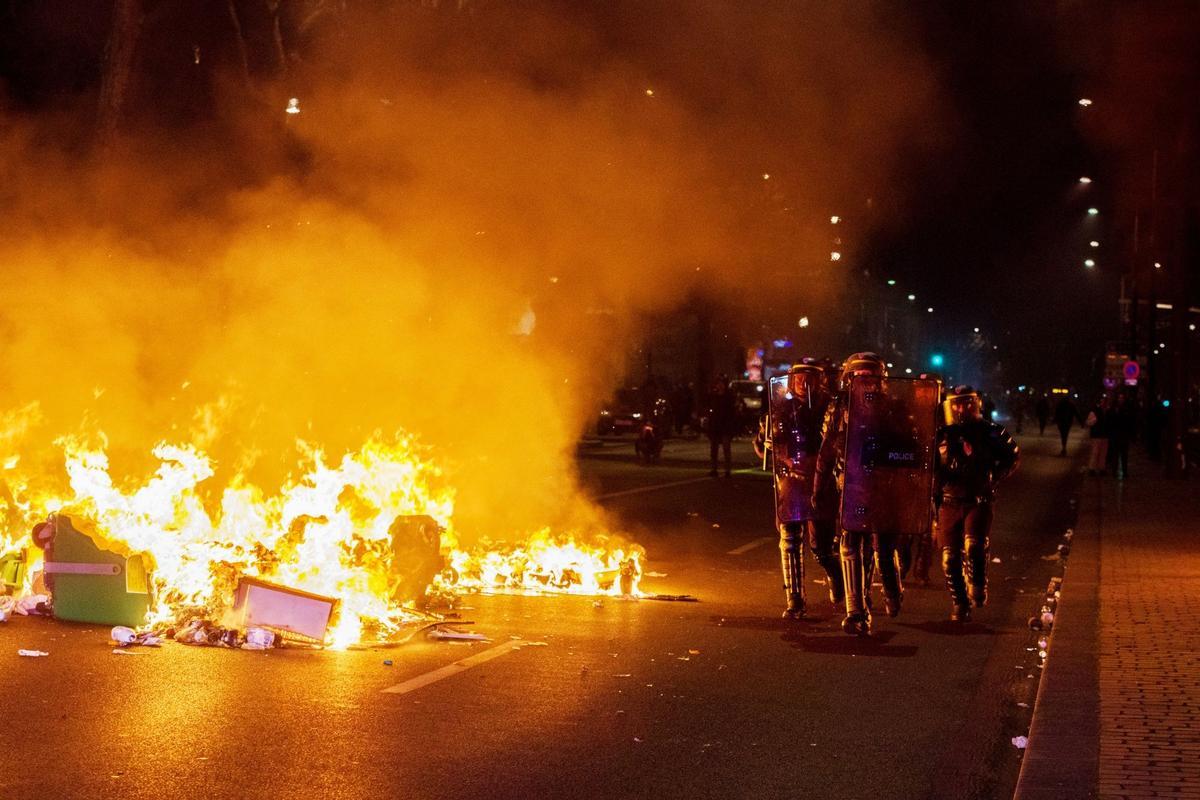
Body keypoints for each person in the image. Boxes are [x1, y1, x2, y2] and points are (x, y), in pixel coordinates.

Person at [813, 352, 897, 636]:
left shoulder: (892, 408)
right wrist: (818, 486)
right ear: (849, 379)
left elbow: (910, 449)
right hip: (850, 488)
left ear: (880, 381)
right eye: (858, 376)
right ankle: (855, 611)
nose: (864, 382)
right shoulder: (838, 409)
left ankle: (889, 588)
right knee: (849, 545)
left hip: (883, 489)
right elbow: (826, 450)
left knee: (882, 548)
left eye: (869, 377)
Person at [753, 361, 843, 618]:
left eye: (810, 378)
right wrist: (765, 439)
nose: (804, 383)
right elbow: (766, 444)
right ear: (792, 380)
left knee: (821, 548)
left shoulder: (832, 406)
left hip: (822, 482)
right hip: (792, 481)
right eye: (800, 377)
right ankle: (795, 598)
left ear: (819, 381)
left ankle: (835, 573)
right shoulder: (780, 406)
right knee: (790, 539)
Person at [934, 385, 1020, 622]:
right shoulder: (941, 435)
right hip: (949, 501)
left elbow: (1012, 456)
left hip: (978, 499)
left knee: (975, 546)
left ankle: (978, 584)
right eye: (957, 404)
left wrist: (993, 476)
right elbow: (929, 467)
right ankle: (960, 603)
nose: (962, 408)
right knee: (949, 559)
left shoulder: (990, 432)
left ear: (976, 404)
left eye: (967, 403)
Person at [705, 376, 736, 477]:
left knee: (726, 448)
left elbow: (731, 412)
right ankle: (714, 469)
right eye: (718, 383)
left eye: (721, 383)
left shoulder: (728, 397)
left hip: (725, 426)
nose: (719, 385)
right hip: (715, 426)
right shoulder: (714, 396)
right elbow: (710, 410)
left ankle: (727, 470)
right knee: (714, 449)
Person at [1109, 392, 1136, 479]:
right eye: (1119, 398)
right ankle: (1114, 472)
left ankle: (1124, 472)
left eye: (1122, 398)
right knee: (1115, 455)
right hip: (1116, 435)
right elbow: (1110, 421)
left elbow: (1130, 421)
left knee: (1124, 455)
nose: (1120, 399)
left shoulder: (1127, 409)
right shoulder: (1114, 409)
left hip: (1124, 435)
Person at [1085, 396, 1110, 475]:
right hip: (1097, 435)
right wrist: (1094, 421)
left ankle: (1101, 468)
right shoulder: (1095, 411)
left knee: (1103, 453)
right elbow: (1089, 422)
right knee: (1095, 452)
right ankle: (1092, 468)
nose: (1104, 404)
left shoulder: (1108, 411)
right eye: (1102, 402)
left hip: (1104, 435)